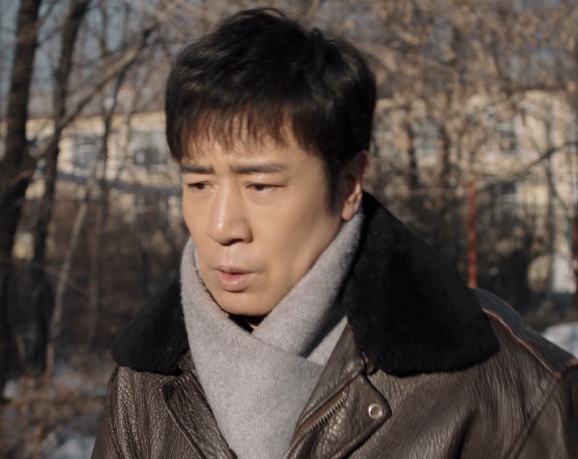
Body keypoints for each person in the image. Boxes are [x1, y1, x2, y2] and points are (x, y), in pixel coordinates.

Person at [92, 8, 578, 459]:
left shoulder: (502, 384)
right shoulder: (145, 381)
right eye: (199, 184)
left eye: (260, 186)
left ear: (348, 185)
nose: (221, 227)